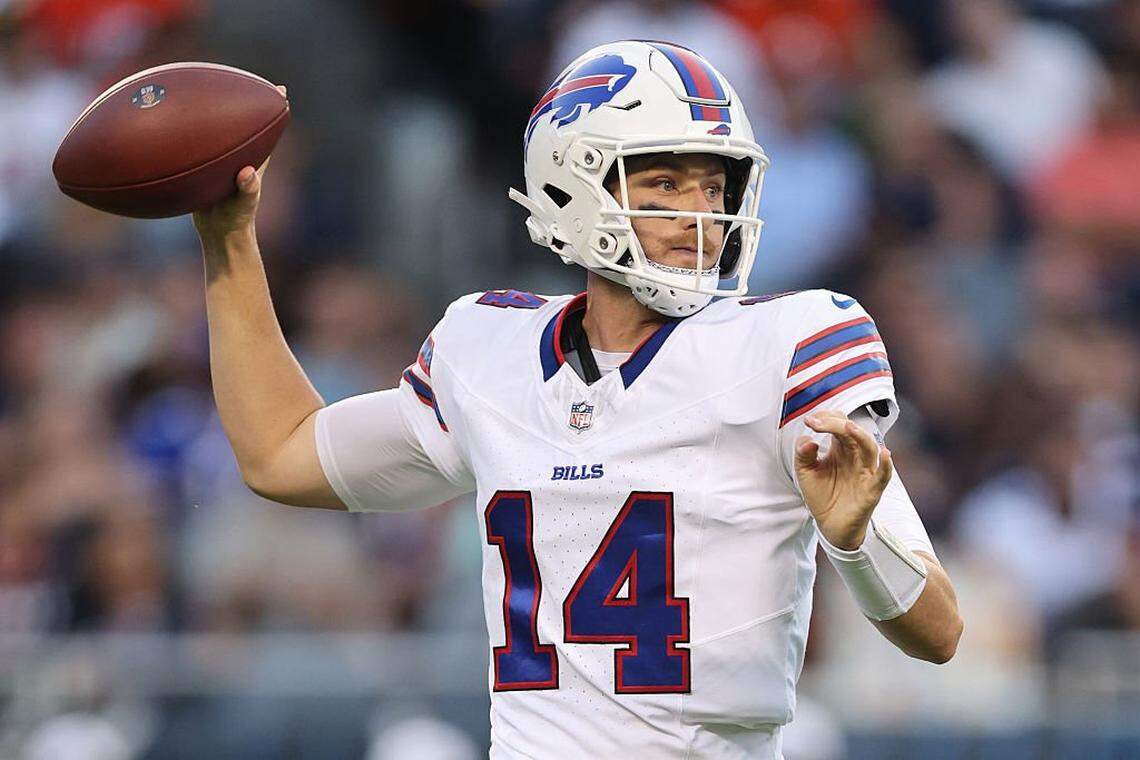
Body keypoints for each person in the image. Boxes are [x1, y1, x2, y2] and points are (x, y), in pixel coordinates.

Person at [191, 40, 962, 760]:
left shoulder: (791, 343)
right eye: (665, 182)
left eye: (715, 183)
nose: (701, 214)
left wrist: (856, 545)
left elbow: (939, 633)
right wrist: (230, 238)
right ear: (574, 184)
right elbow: (282, 451)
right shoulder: (487, 348)